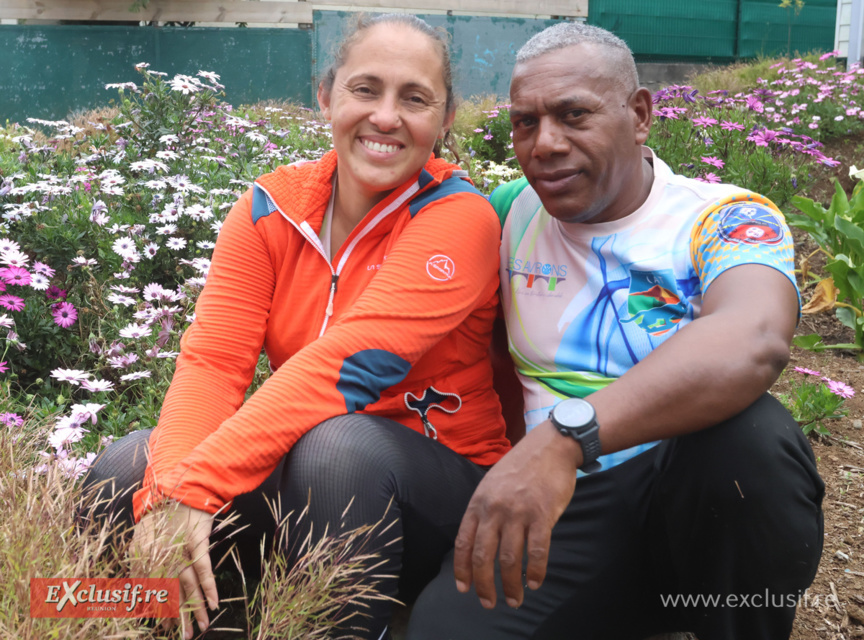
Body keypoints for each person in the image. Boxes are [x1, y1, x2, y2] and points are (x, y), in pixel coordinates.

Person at [84, 13, 511, 640]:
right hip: (312, 480)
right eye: (365, 89)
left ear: (445, 121)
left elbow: (352, 364)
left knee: (340, 447)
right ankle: (129, 625)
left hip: (443, 497)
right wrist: (169, 492)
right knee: (127, 467)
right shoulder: (270, 207)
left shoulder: (460, 218)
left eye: (415, 99)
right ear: (326, 94)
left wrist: (198, 486)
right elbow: (213, 364)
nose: (386, 117)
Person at [407, 22, 824, 640]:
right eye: (525, 121)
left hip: (689, 506)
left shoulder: (726, 217)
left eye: (574, 114)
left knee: (752, 440)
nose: (544, 143)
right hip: (557, 516)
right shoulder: (506, 212)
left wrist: (564, 439)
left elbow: (753, 336)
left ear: (639, 115)